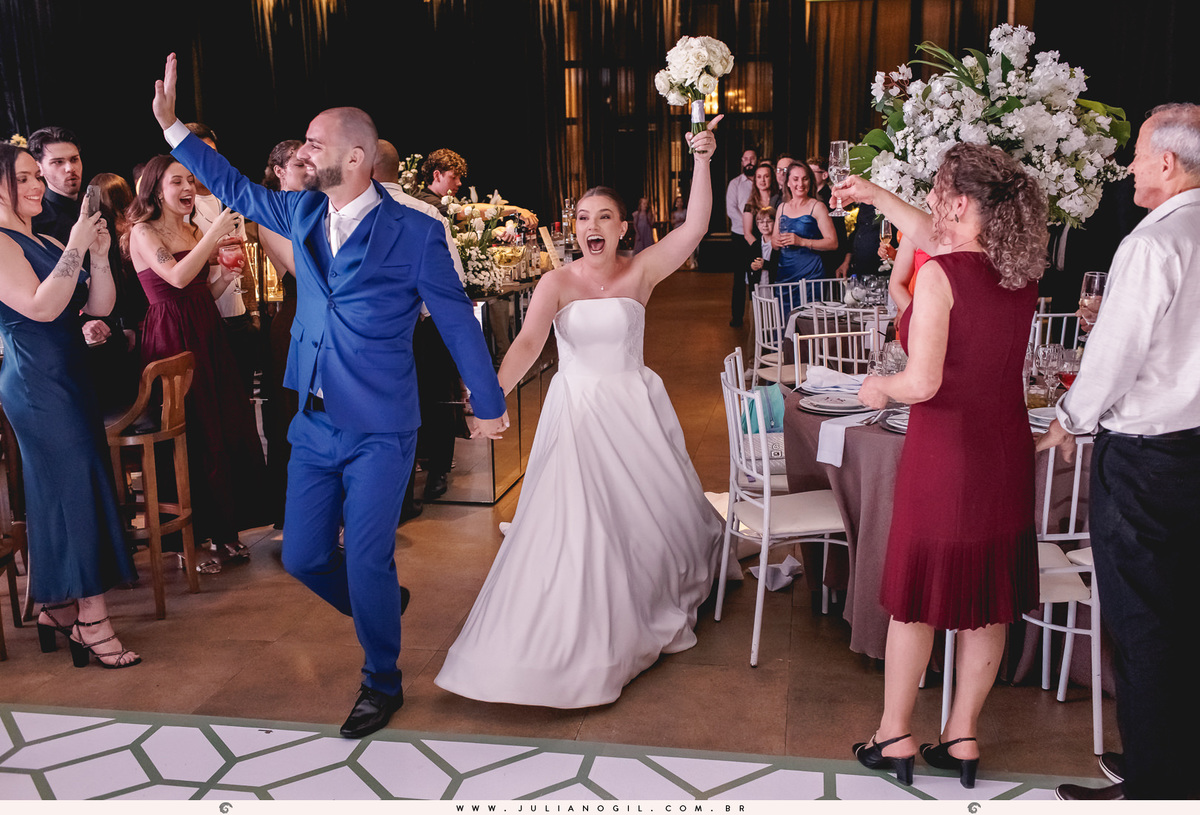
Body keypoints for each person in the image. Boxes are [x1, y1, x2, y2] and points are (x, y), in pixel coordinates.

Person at [153, 52, 508, 738]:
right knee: (305, 555)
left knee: (369, 553)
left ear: (356, 155)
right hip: (313, 423)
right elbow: (226, 180)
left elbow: (459, 320)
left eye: (315, 143)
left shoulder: (417, 232)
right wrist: (173, 129)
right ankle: (378, 601)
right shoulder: (301, 210)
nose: (302, 151)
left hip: (381, 425)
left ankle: (382, 681)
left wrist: (487, 400)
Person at [435, 119, 724, 709]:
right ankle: (575, 642)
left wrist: (701, 158)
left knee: (653, 524)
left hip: (634, 412)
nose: (592, 226)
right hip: (577, 415)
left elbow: (695, 226)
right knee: (582, 525)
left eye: (604, 218)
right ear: (575, 228)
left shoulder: (642, 271)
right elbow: (525, 345)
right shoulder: (555, 281)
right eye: (583, 218)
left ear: (624, 228)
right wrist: (490, 395)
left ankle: (645, 595)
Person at [834, 143, 1048, 788]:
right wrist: (877, 198)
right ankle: (961, 739)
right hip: (1004, 452)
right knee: (986, 602)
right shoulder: (1021, 274)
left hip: (946, 455)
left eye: (938, 192)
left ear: (960, 202)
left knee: (917, 603)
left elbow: (922, 383)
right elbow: (940, 238)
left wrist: (878, 386)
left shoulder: (940, 275)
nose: (931, 201)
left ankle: (894, 735)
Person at [1038, 103, 1200, 802]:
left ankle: (1157, 782)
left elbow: (1114, 358)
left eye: (1137, 152)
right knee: (1185, 611)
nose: (1130, 165)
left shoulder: (1152, 243)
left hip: (1145, 461)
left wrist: (1069, 418)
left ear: (1167, 162)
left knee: (1142, 619)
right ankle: (1174, 760)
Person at [0, 143, 140, 669]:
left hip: (70, 377)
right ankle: (92, 619)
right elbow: (40, 308)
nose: (38, 186)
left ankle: (57, 606)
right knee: (75, 491)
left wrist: (98, 256)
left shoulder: (47, 238)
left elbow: (96, 306)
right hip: (36, 385)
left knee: (69, 490)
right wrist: (77, 246)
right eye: (24, 178)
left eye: (38, 176)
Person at [125, 155, 266, 573]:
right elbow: (176, 279)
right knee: (191, 431)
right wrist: (214, 238)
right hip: (169, 336)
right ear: (155, 189)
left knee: (221, 423)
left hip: (207, 330)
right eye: (176, 182)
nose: (187, 188)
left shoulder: (191, 228)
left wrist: (226, 274)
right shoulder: (143, 231)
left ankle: (226, 530)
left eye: (190, 179)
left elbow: (202, 287)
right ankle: (190, 538)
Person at [374, 139, 464, 514]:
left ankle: (398, 495)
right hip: (425, 324)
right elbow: (453, 276)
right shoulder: (427, 213)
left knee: (394, 408)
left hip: (383, 331)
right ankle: (437, 472)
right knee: (434, 399)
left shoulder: (356, 213)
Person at [184, 123, 259, 395]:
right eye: (201, 154)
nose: (208, 161)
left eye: (213, 154)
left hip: (237, 314)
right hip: (204, 317)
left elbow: (244, 255)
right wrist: (212, 255)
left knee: (244, 397)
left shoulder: (229, 197)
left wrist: (253, 310)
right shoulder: (181, 206)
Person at [256, 139, 305, 527]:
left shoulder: (322, 205)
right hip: (295, 321)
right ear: (279, 172)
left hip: (332, 322)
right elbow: (298, 268)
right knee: (295, 413)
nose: (307, 167)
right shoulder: (270, 217)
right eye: (298, 163)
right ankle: (298, 511)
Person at [773, 162, 837, 313]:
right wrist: (775, 241)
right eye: (795, 179)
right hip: (784, 274)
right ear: (788, 182)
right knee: (783, 318)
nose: (800, 184)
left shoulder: (817, 206)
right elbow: (775, 243)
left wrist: (801, 241)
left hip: (810, 274)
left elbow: (833, 243)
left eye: (805, 179)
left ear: (810, 181)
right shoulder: (782, 207)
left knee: (808, 320)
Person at [27, 127, 83, 241]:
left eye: (74, 159)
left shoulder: (101, 208)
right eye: (58, 162)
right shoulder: (35, 223)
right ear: (38, 168)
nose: (70, 168)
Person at [726, 147, 757, 326]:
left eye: (752, 158)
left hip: (759, 236)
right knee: (739, 278)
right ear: (742, 162)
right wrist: (748, 226)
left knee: (757, 276)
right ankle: (737, 318)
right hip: (739, 235)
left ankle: (757, 317)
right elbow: (731, 209)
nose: (749, 162)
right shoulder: (735, 184)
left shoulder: (762, 181)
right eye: (746, 159)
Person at [749, 206, 779, 288]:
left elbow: (781, 266)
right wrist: (752, 266)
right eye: (761, 222)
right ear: (757, 225)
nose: (765, 225)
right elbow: (749, 264)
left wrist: (765, 264)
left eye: (769, 221)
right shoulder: (755, 245)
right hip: (760, 286)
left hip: (775, 287)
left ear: (776, 223)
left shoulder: (779, 244)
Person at [669, 194, 696, 270]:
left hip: (684, 229)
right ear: (676, 203)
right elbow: (672, 221)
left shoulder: (685, 211)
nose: (679, 203)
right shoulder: (673, 213)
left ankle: (691, 261)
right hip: (677, 229)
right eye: (678, 201)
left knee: (688, 245)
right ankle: (678, 263)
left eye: (681, 201)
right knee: (678, 247)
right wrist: (677, 220)